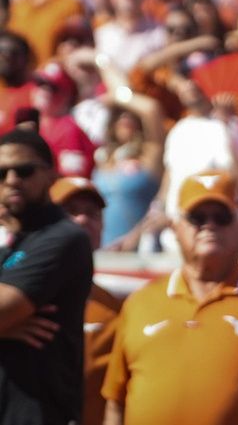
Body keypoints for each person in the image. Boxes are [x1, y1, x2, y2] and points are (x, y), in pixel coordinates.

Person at [101, 171, 238, 424]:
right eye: (197, 217)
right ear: (176, 228)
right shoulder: (139, 304)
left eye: (222, 217)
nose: (209, 225)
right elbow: (116, 402)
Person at [0, 127, 93, 425]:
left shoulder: (64, 238)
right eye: (1, 173)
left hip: (38, 414)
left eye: (24, 171)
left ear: (51, 175)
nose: (12, 180)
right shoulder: (6, 239)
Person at [49, 176, 122, 425]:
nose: (82, 220)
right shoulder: (15, 298)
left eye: (92, 213)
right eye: (70, 211)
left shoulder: (114, 308)